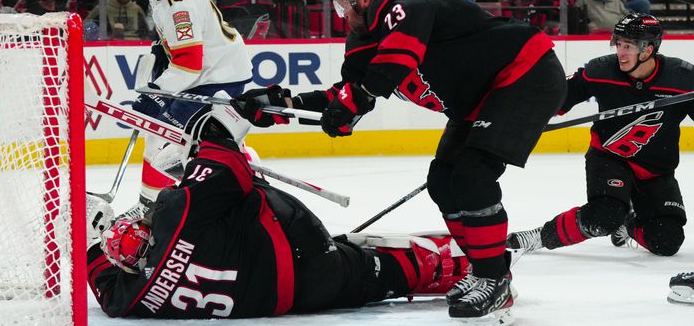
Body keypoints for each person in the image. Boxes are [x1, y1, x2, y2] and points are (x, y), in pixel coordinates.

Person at [231, 0, 567, 322]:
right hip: (479, 99)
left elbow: (393, 62)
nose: (343, 12)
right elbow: (346, 99)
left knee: (472, 176)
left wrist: (358, 96)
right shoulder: (366, 38)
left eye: (345, 2)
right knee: (444, 181)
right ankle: (485, 269)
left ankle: (493, 277)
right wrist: (281, 105)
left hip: (523, 73)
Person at [85, 105, 471, 319]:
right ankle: (467, 264)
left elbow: (106, 289)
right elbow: (226, 153)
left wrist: (89, 243)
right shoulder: (173, 212)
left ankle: (404, 268)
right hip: (299, 248)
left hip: (286, 296)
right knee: (368, 268)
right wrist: (205, 139)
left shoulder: (134, 297)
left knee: (360, 276)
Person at [508, 13, 693, 260]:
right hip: (610, 159)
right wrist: (524, 116)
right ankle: (539, 236)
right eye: (618, 44)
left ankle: (627, 222)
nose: (621, 52)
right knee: (603, 216)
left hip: (655, 170)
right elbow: (557, 97)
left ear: (648, 50)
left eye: (628, 46)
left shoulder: (682, 79)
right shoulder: (600, 70)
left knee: (666, 242)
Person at [123, 0, 253, 220]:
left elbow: (189, 64)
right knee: (161, 136)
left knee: (170, 141)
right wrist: (161, 47)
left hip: (219, 74)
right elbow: (174, 36)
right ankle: (150, 206)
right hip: (207, 70)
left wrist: (156, 93)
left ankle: (240, 163)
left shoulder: (181, 3)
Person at [84, 0, 151, 40]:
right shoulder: (103, 9)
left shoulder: (137, 9)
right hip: (108, 47)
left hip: (136, 46)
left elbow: (145, 35)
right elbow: (85, 27)